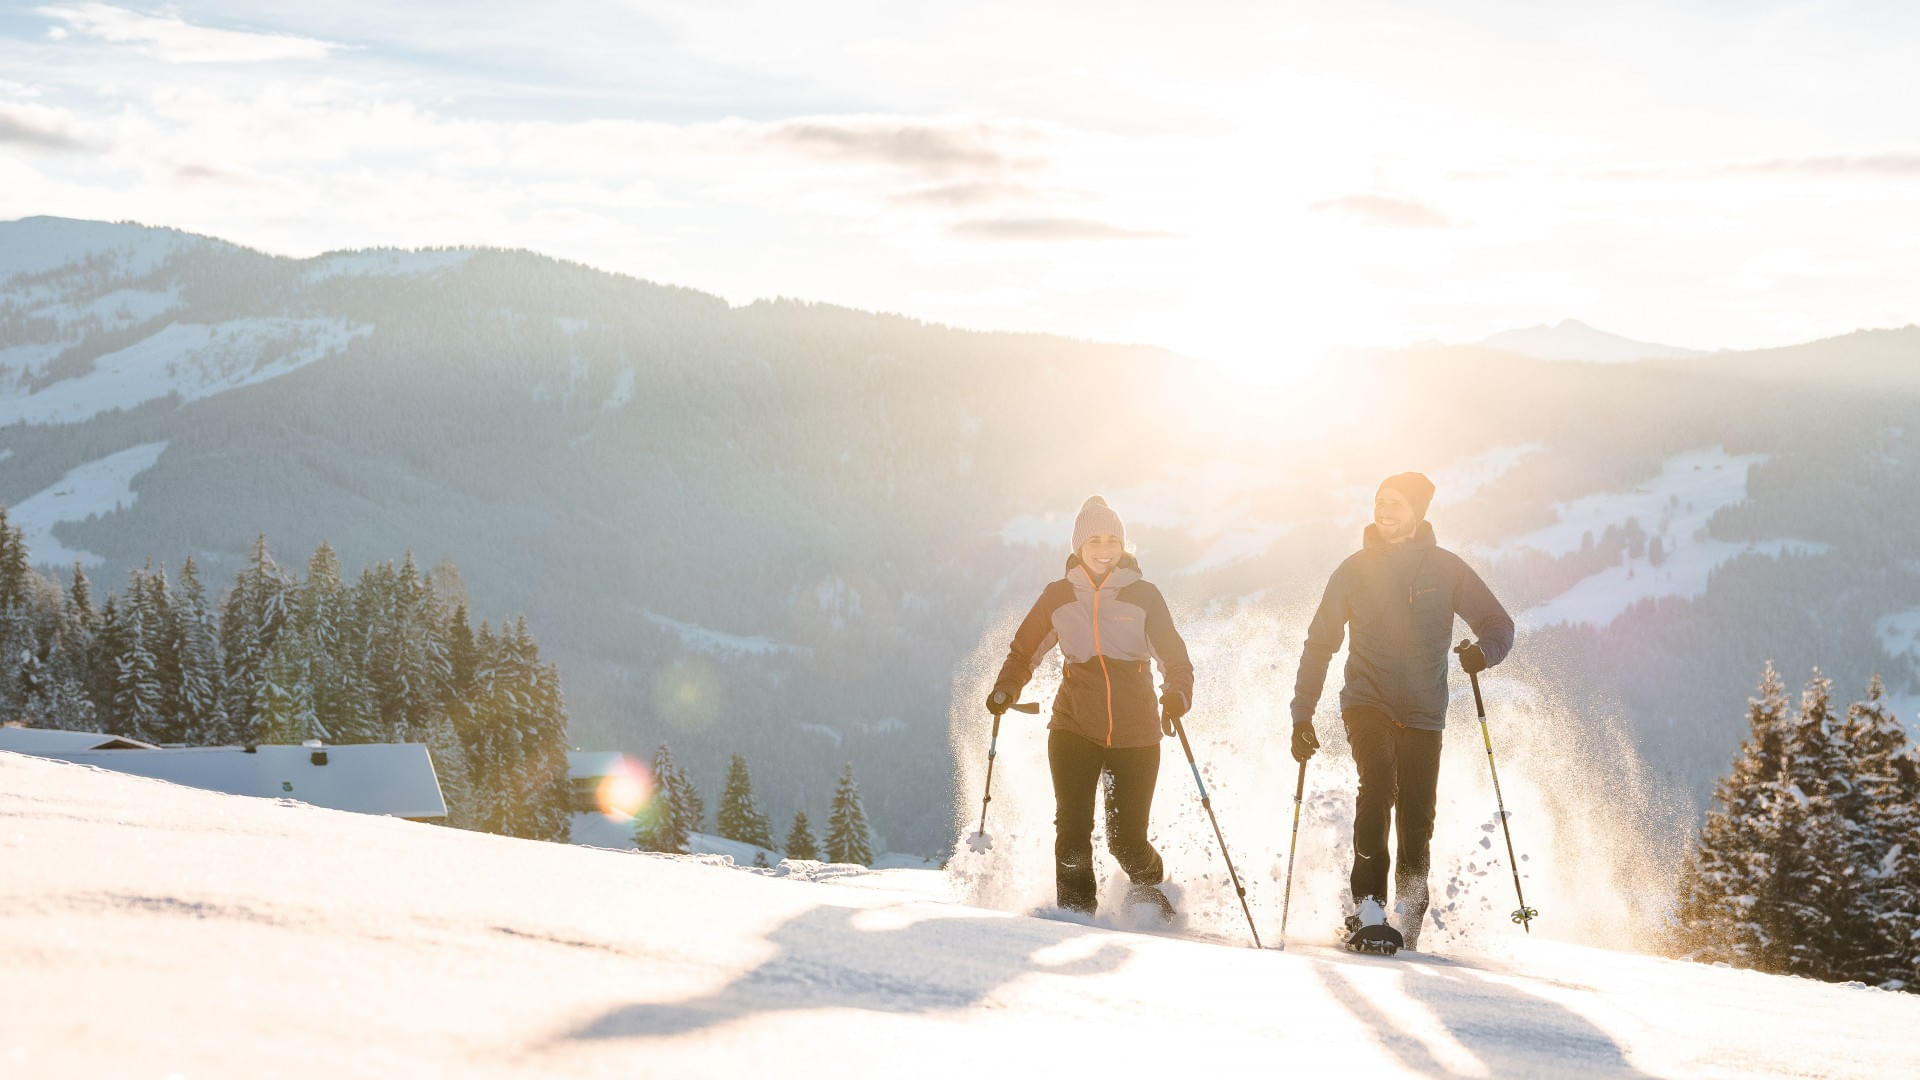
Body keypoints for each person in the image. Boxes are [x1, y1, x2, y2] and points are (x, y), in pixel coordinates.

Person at [1289, 472, 1514, 949]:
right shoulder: (1353, 570)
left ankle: (1409, 910)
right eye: (1379, 502)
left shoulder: (1447, 569)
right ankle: (1367, 906)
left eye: (1395, 503)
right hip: (1366, 701)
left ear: (1417, 512)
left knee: (1417, 817)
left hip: (1425, 711)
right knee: (1378, 785)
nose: (1384, 511)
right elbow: (1319, 645)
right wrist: (1302, 715)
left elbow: (1498, 623)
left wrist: (1484, 653)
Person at [988, 496, 1195, 917]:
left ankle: (1153, 885)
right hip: (1073, 726)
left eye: (1112, 540)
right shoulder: (1058, 596)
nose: (1104, 549)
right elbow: (1024, 650)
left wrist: (1177, 694)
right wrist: (1005, 689)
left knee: (1126, 841)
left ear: (1124, 545)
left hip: (1136, 735)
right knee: (1072, 829)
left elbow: (1176, 659)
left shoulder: (1144, 596)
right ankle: (1074, 915)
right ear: (1078, 545)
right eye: (1094, 540)